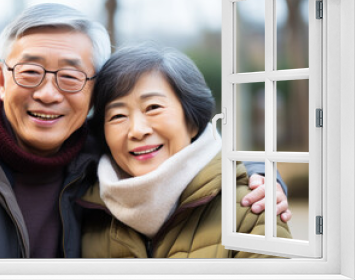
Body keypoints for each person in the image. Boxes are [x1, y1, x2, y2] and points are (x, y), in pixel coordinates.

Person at [0, 3, 289, 258]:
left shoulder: (99, 165)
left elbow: (186, 159)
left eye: (70, 76)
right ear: (1, 79)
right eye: (31, 72)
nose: (49, 93)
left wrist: (260, 175)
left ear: (92, 90)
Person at [79, 43, 291, 258]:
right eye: (118, 116)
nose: (137, 130)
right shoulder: (86, 214)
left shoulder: (252, 208)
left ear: (191, 121)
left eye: (153, 107)